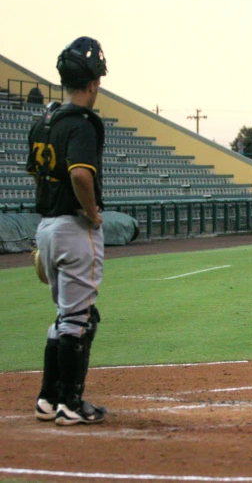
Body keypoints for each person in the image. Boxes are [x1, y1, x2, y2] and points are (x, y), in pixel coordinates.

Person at [26, 37, 108, 425]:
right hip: (74, 226)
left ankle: (48, 398)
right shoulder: (81, 124)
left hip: (46, 224)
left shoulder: (45, 121)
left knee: (65, 315)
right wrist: (92, 212)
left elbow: (37, 172)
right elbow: (79, 173)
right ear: (92, 83)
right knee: (79, 319)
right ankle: (70, 405)